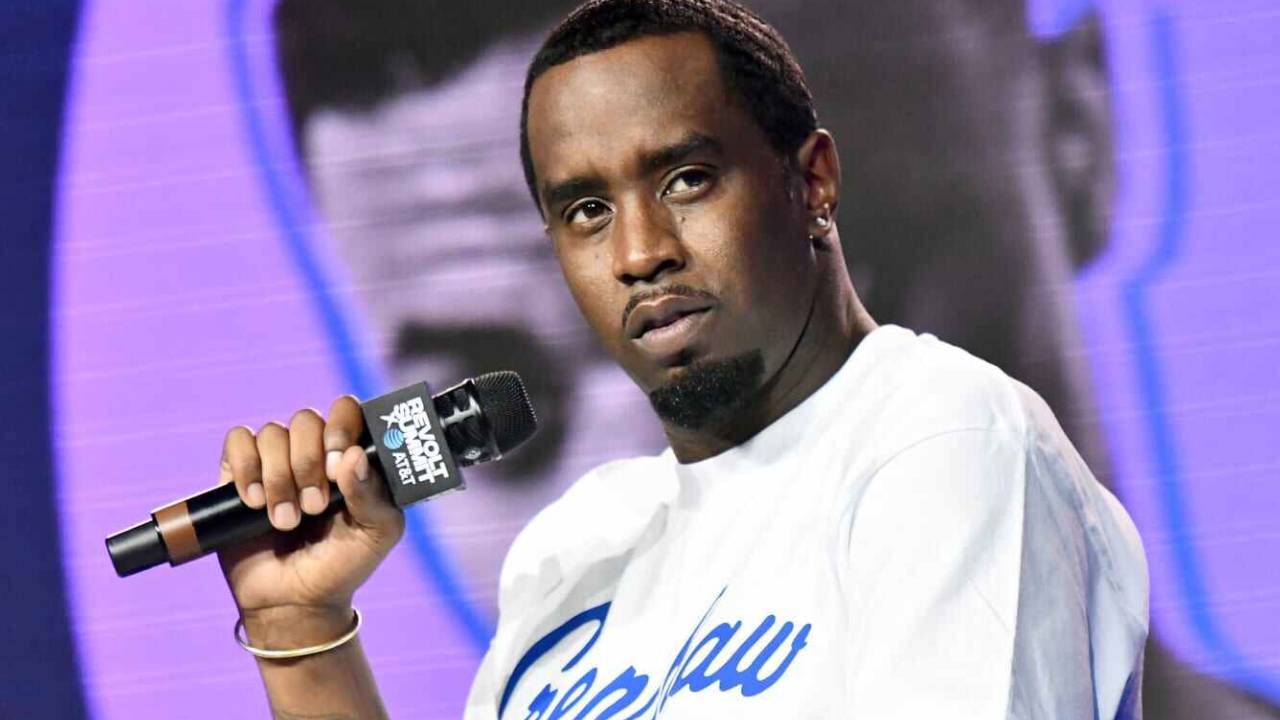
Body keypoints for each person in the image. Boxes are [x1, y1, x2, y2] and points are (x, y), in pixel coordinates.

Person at [221, 0, 1149, 717]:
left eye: (688, 179)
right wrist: (301, 632)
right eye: (587, 212)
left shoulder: (942, 437)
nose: (638, 254)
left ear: (815, 182)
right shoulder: (571, 554)